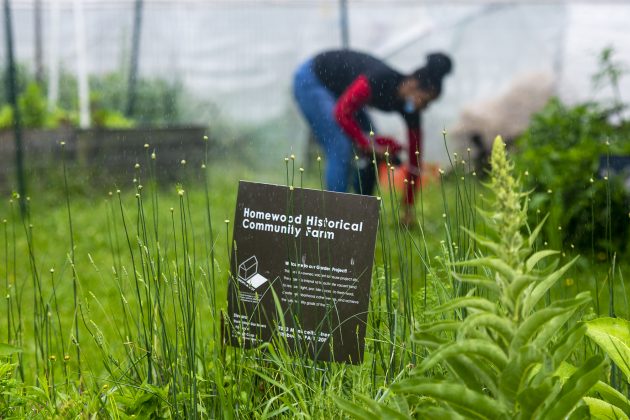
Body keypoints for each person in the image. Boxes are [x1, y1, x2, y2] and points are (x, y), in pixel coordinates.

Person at [293, 49, 453, 223]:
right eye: (425, 100)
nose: (425, 108)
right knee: (340, 146)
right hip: (313, 79)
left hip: (340, 92)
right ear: (413, 85)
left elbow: (415, 162)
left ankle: (359, 217)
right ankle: (334, 218)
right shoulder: (380, 79)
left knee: (371, 147)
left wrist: (408, 208)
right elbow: (341, 113)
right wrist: (366, 144)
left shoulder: (412, 108)